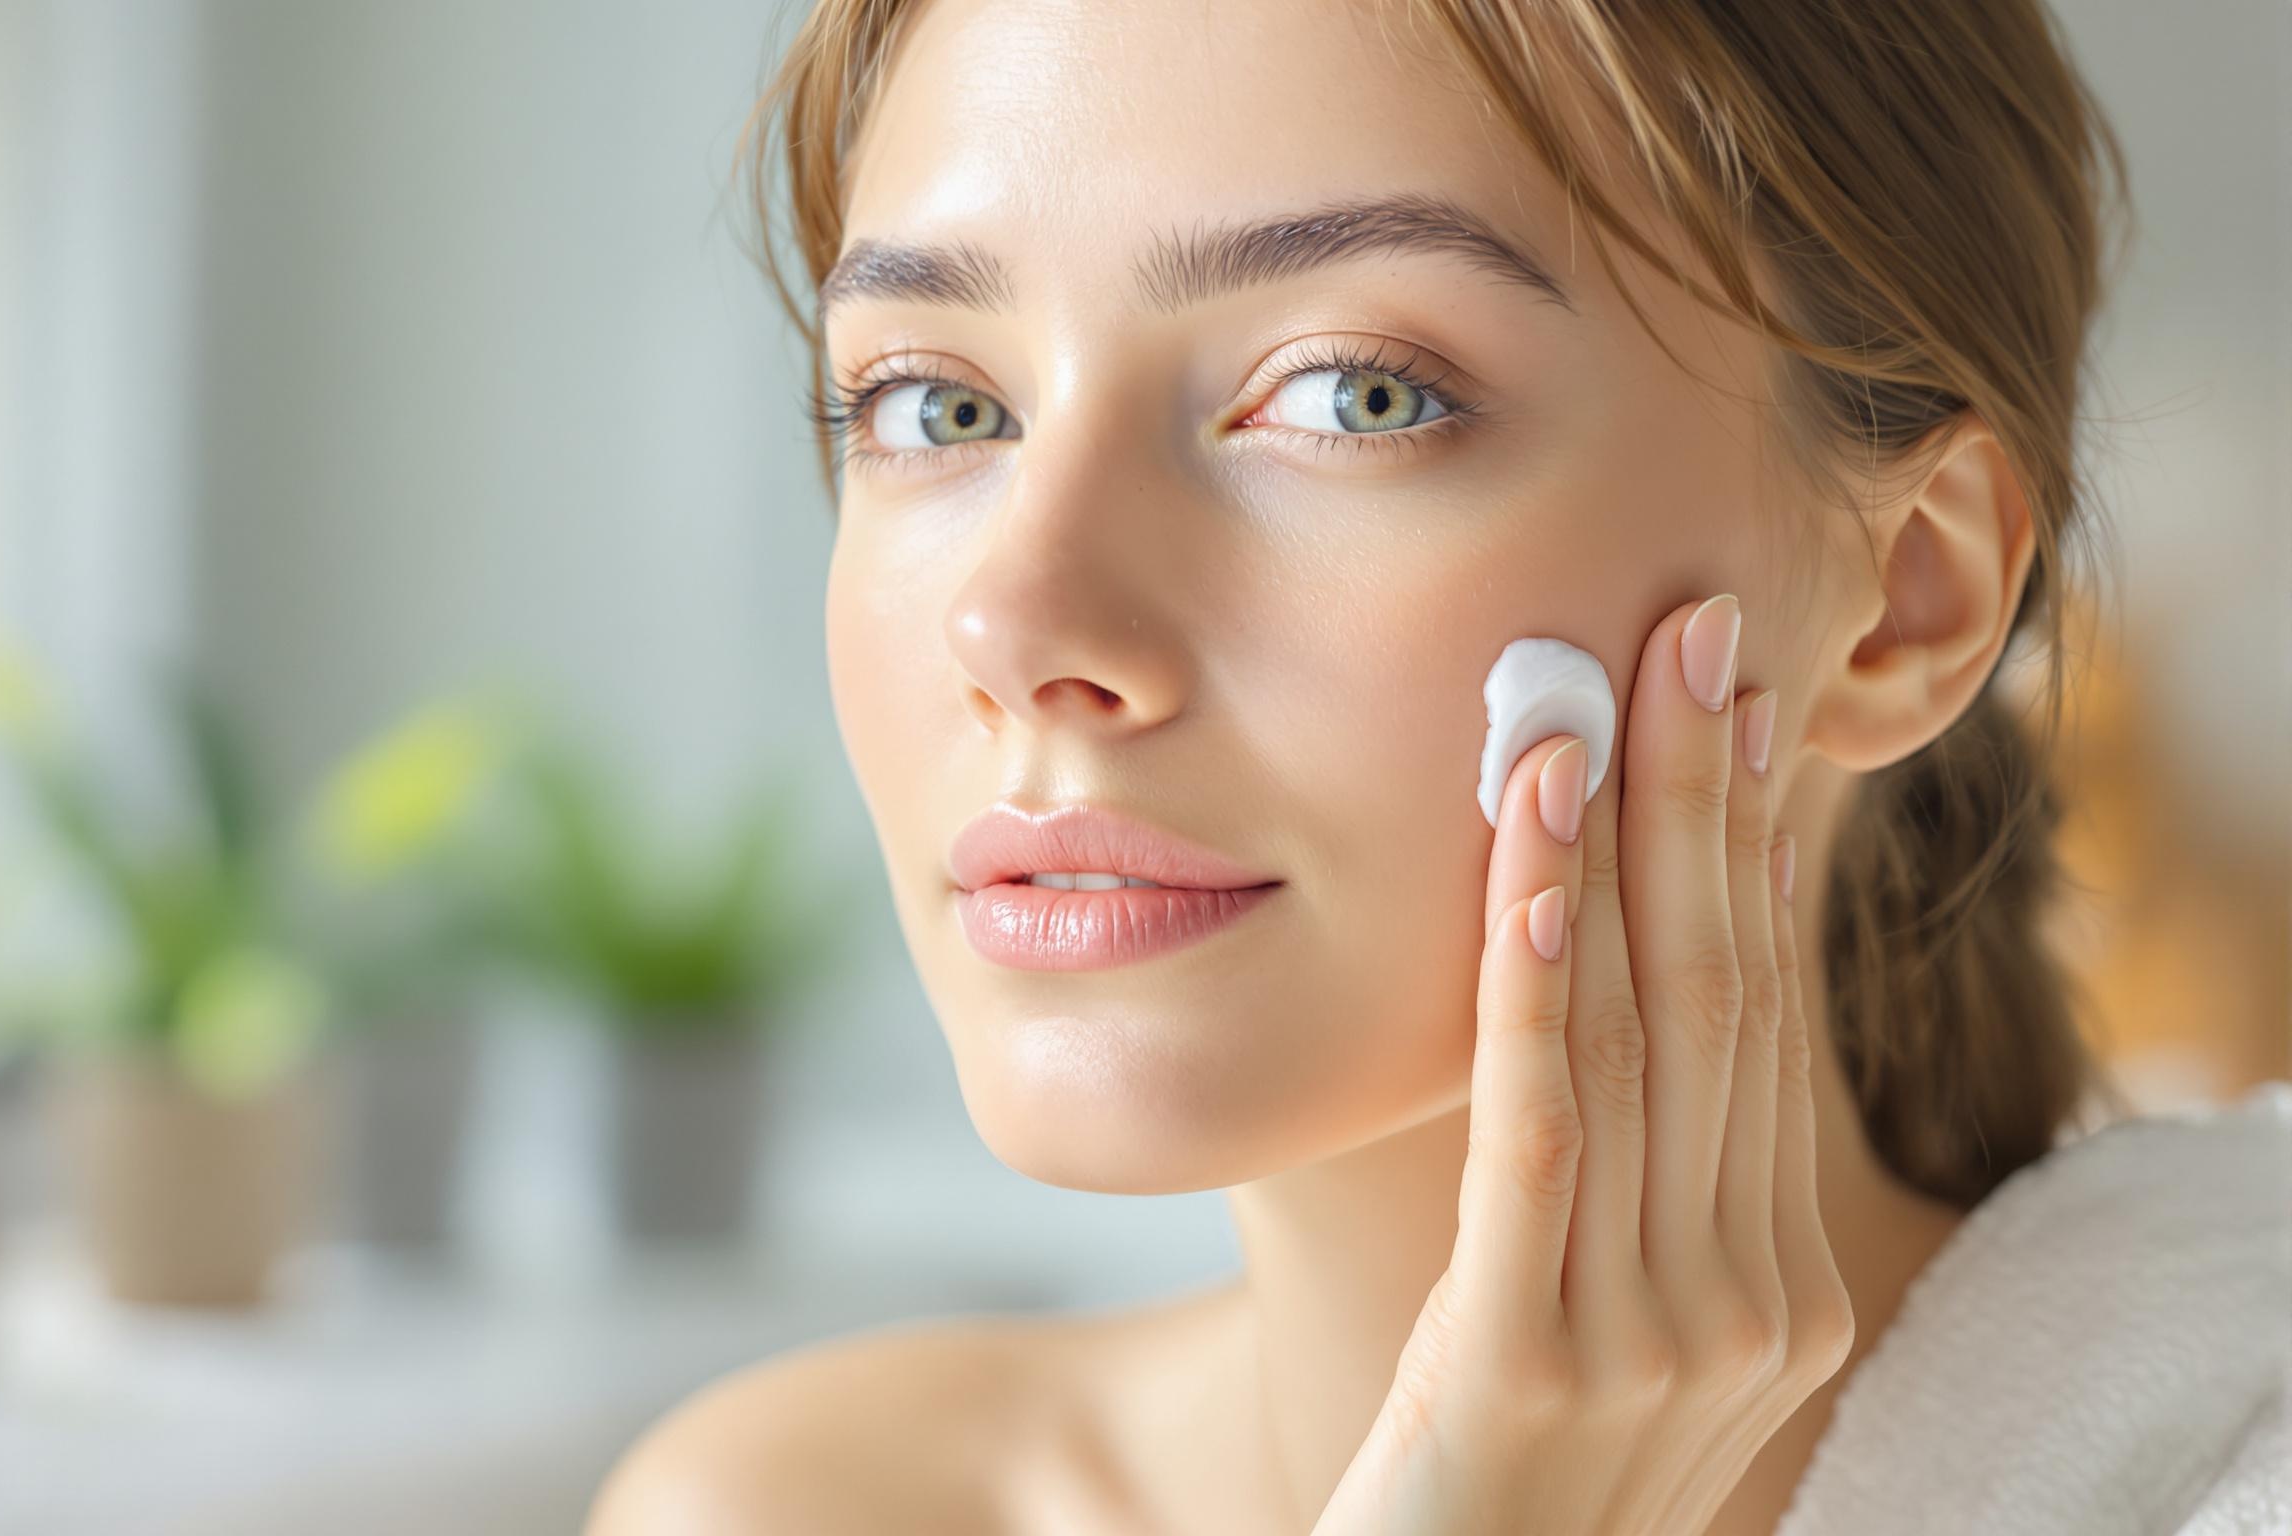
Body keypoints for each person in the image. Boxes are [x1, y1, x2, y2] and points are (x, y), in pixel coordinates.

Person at [589, 0, 2291, 1530]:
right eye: (935, 407)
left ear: (1907, 599)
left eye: (1357, 397)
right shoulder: (799, 1506)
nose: (1021, 623)